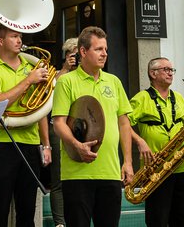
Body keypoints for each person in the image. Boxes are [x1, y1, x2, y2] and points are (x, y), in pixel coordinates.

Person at [51, 26, 134, 227]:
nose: (104, 53)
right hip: (77, 174)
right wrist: (76, 145)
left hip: (111, 172)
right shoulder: (66, 82)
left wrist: (128, 162)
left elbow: (124, 123)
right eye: (98, 49)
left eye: (105, 49)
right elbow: (59, 123)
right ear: (82, 51)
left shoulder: (113, 81)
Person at [0, 25, 52, 227]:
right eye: (14, 36)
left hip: (30, 143)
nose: (20, 40)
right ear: (0, 42)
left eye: (20, 36)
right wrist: (28, 81)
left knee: (27, 211)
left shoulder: (31, 68)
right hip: (2, 144)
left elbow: (40, 109)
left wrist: (46, 145)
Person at [129, 57, 184, 227]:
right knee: (158, 219)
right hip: (156, 169)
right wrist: (139, 141)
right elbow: (122, 124)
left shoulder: (178, 97)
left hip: (181, 166)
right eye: (166, 69)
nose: (171, 73)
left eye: (172, 70)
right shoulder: (141, 98)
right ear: (153, 73)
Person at [48, 37, 78, 227]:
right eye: (74, 54)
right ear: (67, 56)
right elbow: (49, 95)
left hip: (80, 129)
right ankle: (60, 222)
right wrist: (66, 69)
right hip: (58, 128)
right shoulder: (57, 75)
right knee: (58, 178)